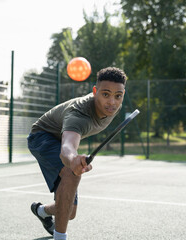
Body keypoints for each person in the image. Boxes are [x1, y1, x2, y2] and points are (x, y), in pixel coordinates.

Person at [27, 67, 127, 240]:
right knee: (71, 173)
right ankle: (61, 237)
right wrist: (72, 159)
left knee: (69, 212)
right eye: (105, 94)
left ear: (123, 94)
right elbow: (66, 148)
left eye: (118, 96)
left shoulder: (112, 107)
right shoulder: (79, 114)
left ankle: (41, 211)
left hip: (59, 138)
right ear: (95, 92)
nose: (112, 102)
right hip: (42, 136)